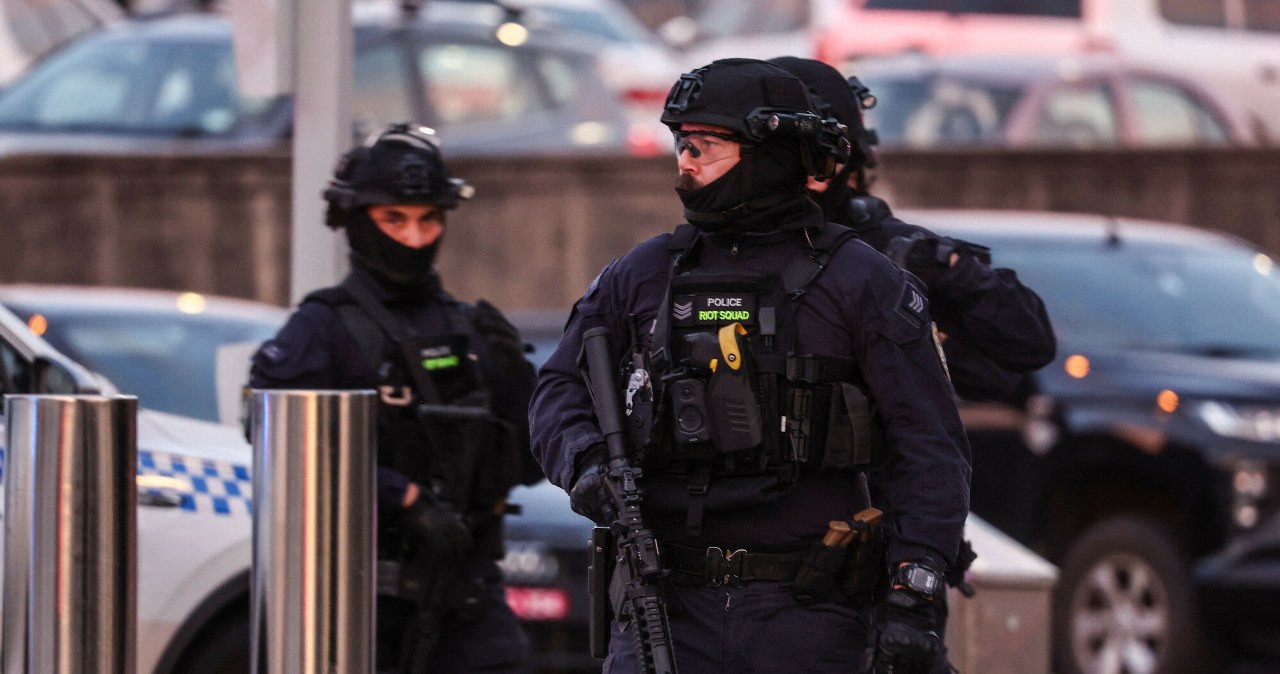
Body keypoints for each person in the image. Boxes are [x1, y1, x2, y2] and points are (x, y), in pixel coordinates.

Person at [530, 58, 971, 674]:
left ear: (768, 151)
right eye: (680, 144)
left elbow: (929, 445)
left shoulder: (860, 281)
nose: (684, 161)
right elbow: (557, 388)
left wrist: (914, 587)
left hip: (810, 614)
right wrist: (584, 462)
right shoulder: (645, 274)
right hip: (667, 603)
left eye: (704, 146)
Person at [767, 56, 1058, 674]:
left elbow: (1025, 343)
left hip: (880, 563)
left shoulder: (887, 258)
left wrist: (942, 266)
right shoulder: (720, 259)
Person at [249, 123, 543, 674]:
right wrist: (402, 498)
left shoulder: (470, 328)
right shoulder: (321, 328)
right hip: (361, 597)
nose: (413, 238)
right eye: (394, 219)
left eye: (428, 219)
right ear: (355, 221)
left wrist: (518, 384)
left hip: (470, 597)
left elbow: (529, 466)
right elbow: (280, 445)